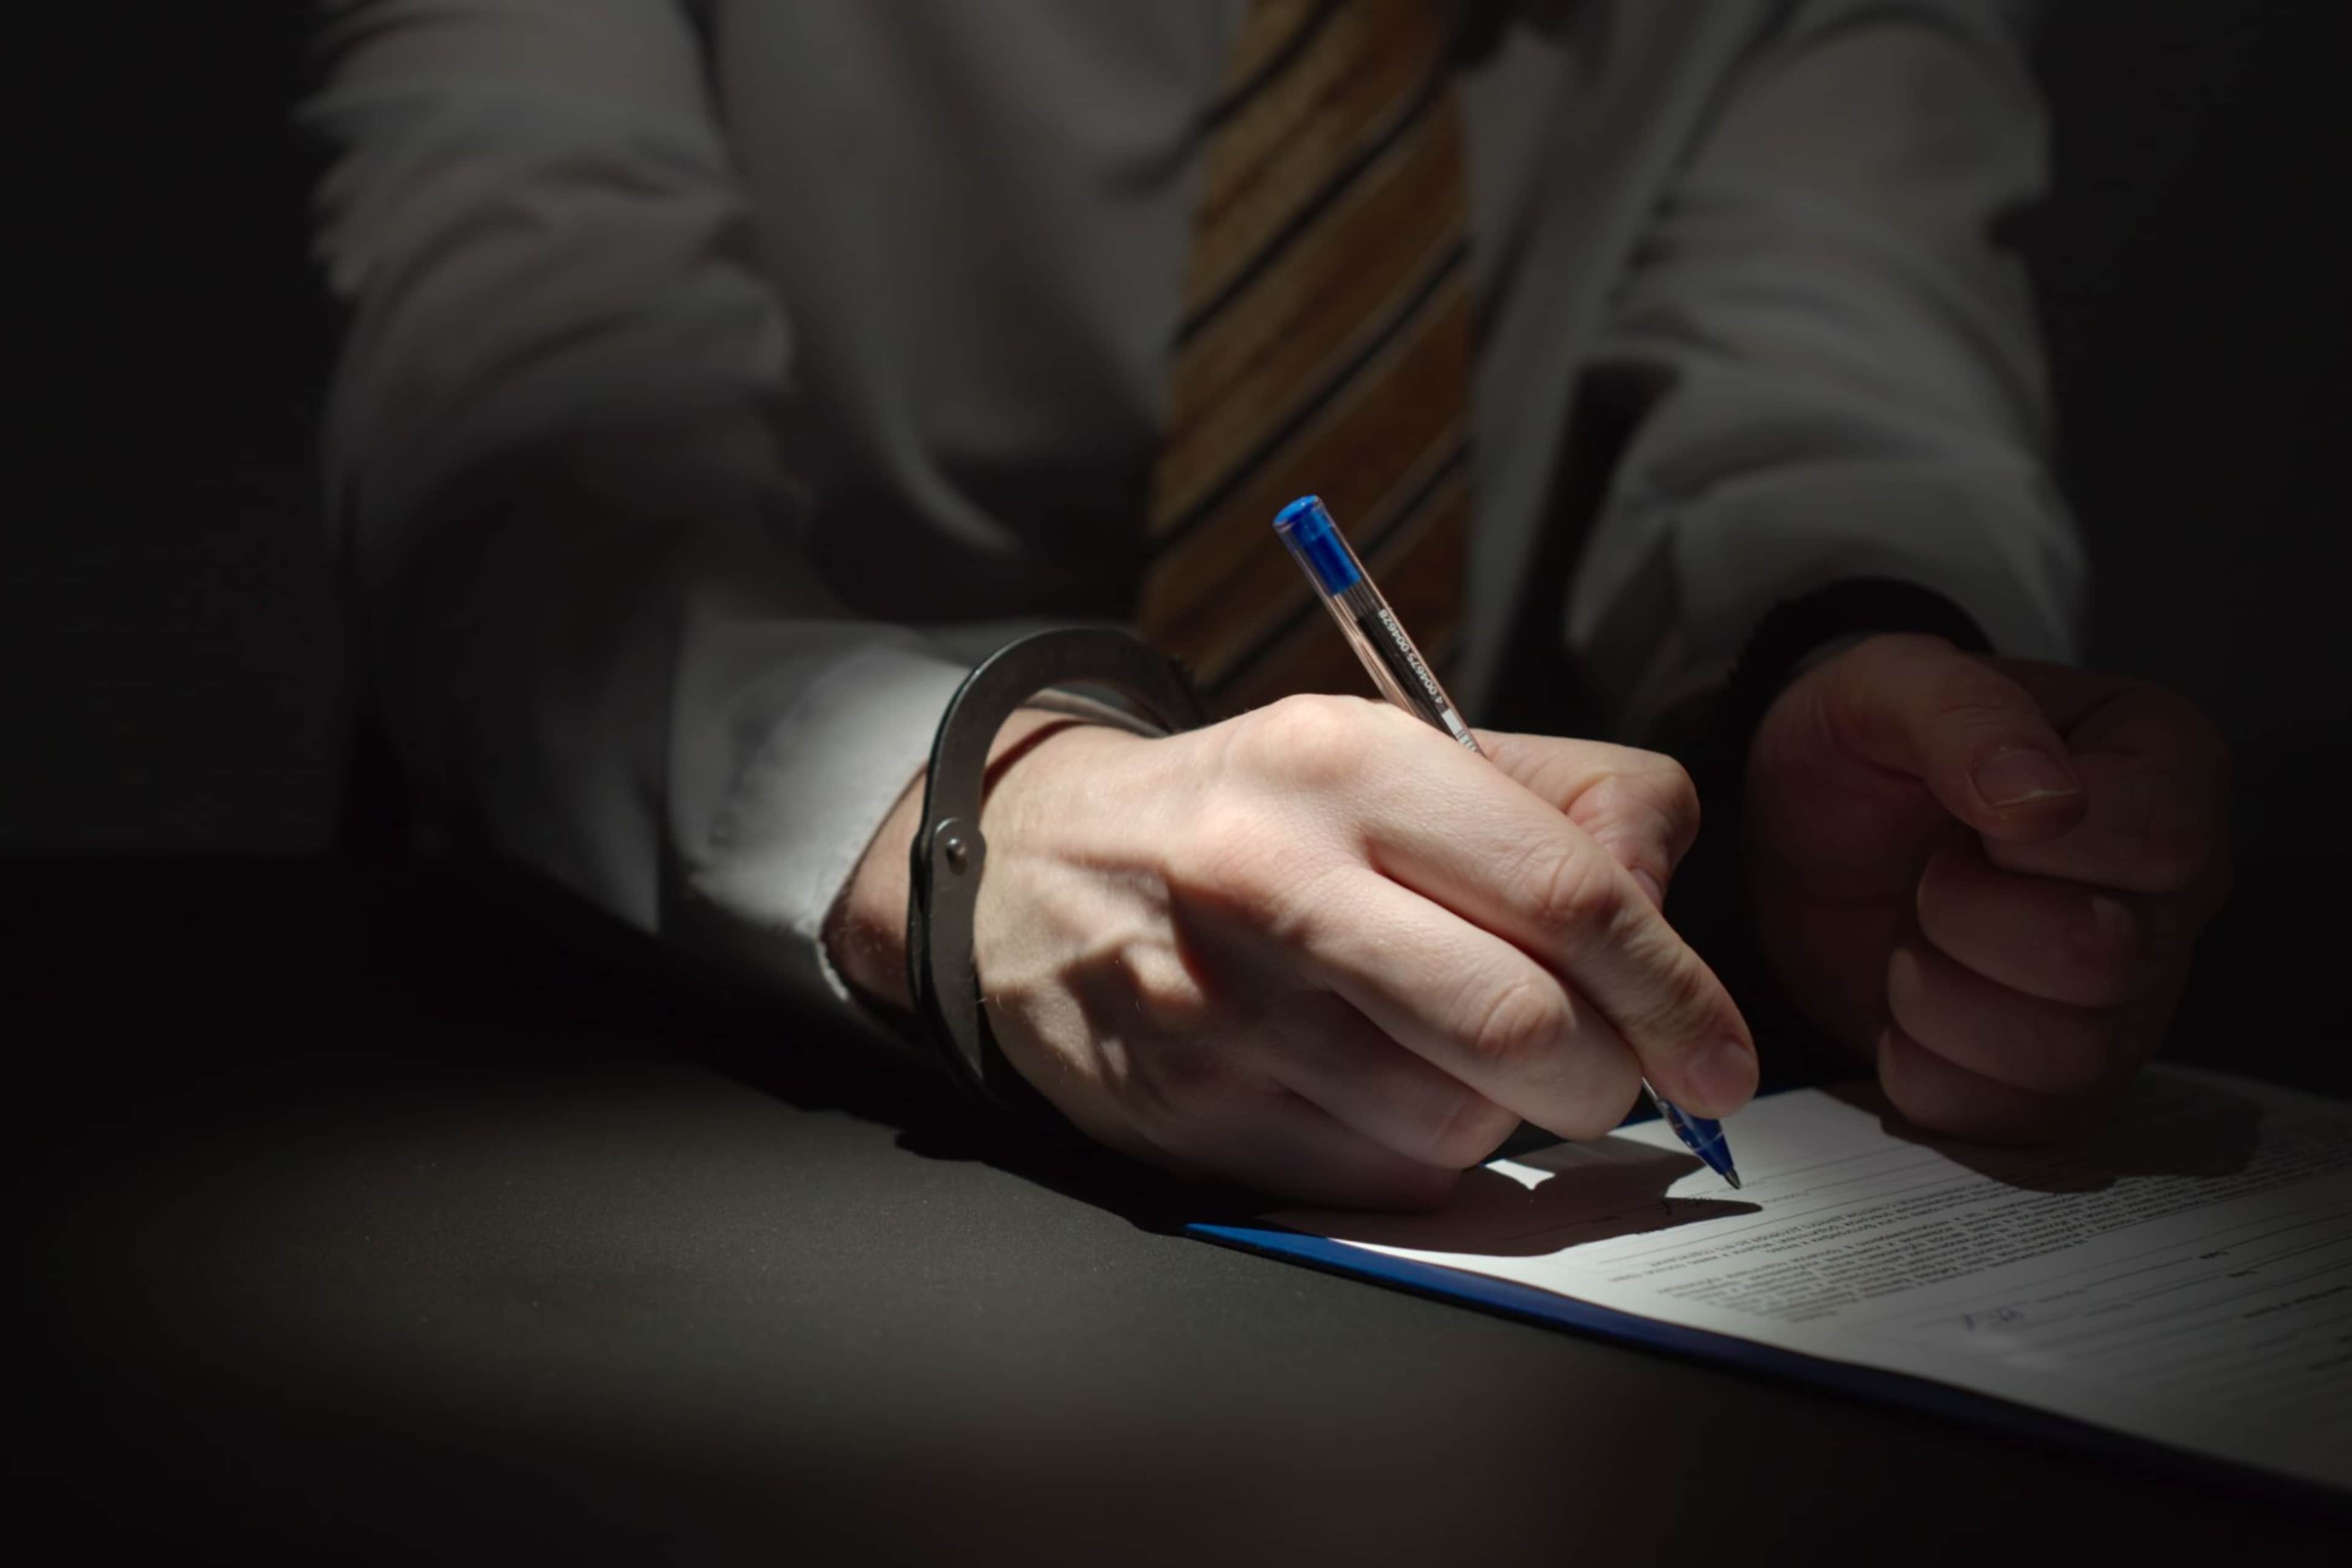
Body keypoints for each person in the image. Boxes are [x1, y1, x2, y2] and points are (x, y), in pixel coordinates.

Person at [307, 0, 2231, 1208]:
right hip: (658, 1109)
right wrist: (992, 823)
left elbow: (1836, 360)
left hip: (1495, 1101)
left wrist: (1847, 676)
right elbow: (525, 465)